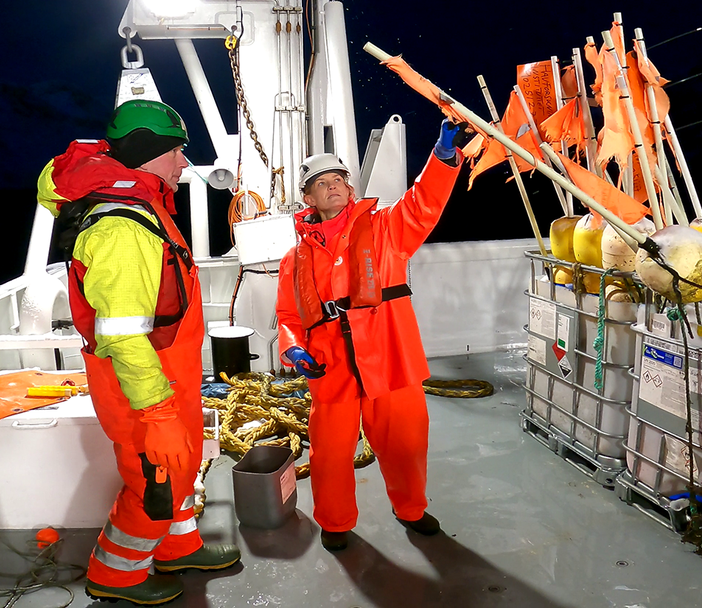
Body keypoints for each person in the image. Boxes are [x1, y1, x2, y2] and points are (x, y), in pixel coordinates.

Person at [36, 99, 240, 605]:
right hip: (144, 393)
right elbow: (125, 337)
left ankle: (178, 547)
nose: (182, 164)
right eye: (175, 152)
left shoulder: (146, 205)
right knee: (157, 483)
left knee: (180, 469)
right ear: (150, 155)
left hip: (170, 380)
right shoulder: (123, 227)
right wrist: (159, 412)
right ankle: (117, 575)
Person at [276, 119, 472, 551]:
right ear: (307, 197)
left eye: (339, 180)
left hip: (391, 358)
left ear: (350, 187)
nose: (333, 188)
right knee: (329, 455)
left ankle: (412, 510)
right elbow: (288, 315)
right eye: (321, 183)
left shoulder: (386, 228)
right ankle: (335, 521)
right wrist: (294, 349)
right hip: (332, 368)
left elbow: (424, 204)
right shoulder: (295, 257)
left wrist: (441, 159)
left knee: (405, 443)